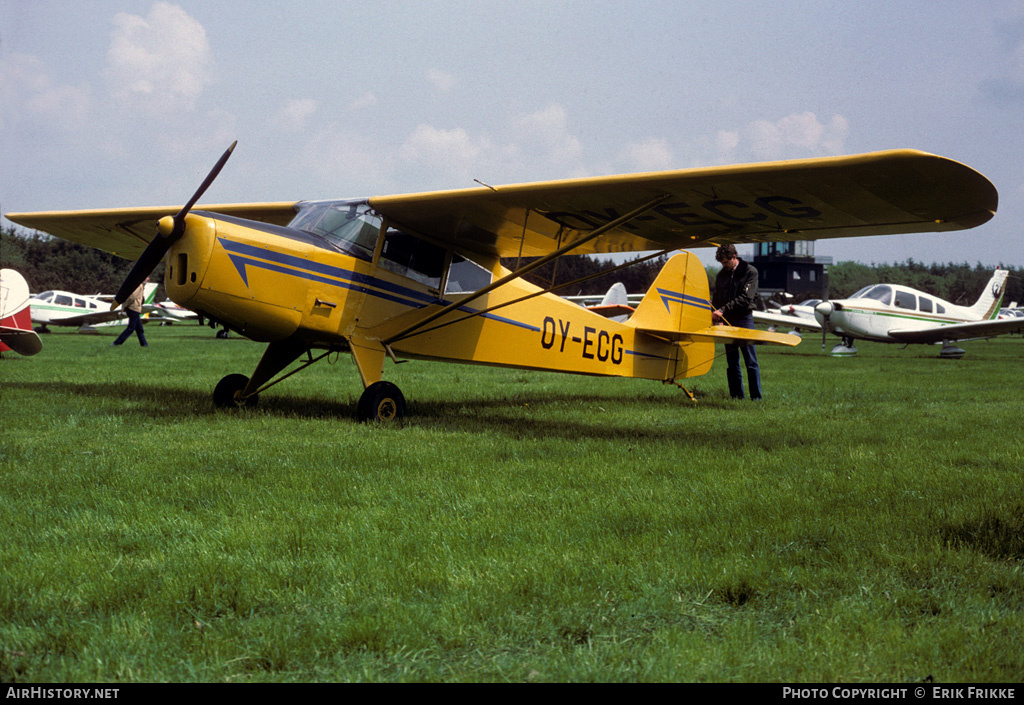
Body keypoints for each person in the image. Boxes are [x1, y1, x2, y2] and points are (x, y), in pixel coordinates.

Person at [711, 245, 761, 400]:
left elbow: (746, 298)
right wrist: (715, 313)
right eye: (722, 263)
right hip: (727, 320)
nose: (724, 266)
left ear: (734, 257)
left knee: (750, 361)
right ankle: (736, 396)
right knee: (732, 361)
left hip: (744, 318)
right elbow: (718, 297)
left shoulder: (750, 272)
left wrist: (723, 309)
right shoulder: (721, 275)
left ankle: (756, 397)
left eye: (726, 262)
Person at [110, 280, 149, 347]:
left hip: (135, 308)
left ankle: (144, 344)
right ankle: (116, 343)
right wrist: (125, 306)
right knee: (131, 328)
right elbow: (132, 297)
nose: (148, 279)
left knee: (139, 329)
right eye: (147, 277)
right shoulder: (138, 285)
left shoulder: (140, 285)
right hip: (133, 308)